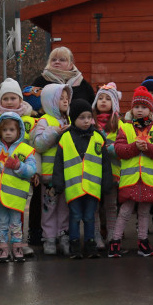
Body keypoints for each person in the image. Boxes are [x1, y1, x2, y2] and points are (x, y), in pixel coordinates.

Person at [109, 86, 153, 258]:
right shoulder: (125, 128)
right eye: (137, 107)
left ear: (150, 110)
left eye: (144, 107)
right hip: (131, 178)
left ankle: (143, 241)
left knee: (144, 212)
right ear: (132, 109)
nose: (140, 110)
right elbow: (119, 149)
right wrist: (135, 147)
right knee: (125, 211)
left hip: (149, 179)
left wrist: (148, 148)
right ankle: (115, 241)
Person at [0, 112, 37, 262]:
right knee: (2, 223)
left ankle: (17, 247)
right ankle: (3, 248)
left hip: (16, 197)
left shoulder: (25, 149)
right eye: (5, 130)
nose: (8, 133)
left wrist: (19, 165)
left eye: (12, 130)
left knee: (16, 223)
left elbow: (31, 170)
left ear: (19, 131)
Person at [53, 99, 108, 259]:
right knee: (75, 216)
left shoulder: (98, 137)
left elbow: (105, 163)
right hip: (73, 186)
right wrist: (58, 183)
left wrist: (106, 183)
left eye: (89, 117)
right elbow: (58, 163)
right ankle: (75, 246)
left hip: (92, 186)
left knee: (90, 216)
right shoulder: (65, 138)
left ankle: (91, 246)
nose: (86, 121)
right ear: (73, 119)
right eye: (82, 117)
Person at [32, 83, 72, 255]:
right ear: (50, 101)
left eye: (66, 98)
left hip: (67, 172)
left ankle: (63, 236)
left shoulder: (69, 119)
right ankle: (49, 237)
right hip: (49, 175)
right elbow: (38, 144)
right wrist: (56, 131)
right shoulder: (44, 120)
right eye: (60, 98)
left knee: (65, 207)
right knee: (48, 208)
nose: (65, 101)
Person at [93, 82, 123, 251]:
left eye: (107, 99)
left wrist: (111, 149)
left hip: (113, 172)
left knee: (111, 205)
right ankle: (97, 235)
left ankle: (113, 234)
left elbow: (123, 146)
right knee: (95, 206)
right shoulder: (89, 123)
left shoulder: (119, 125)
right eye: (100, 98)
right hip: (95, 172)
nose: (103, 101)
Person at [30, 47, 95, 105]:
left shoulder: (82, 83)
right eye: (53, 60)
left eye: (62, 60)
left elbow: (92, 106)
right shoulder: (41, 81)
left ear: (71, 65)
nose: (57, 62)